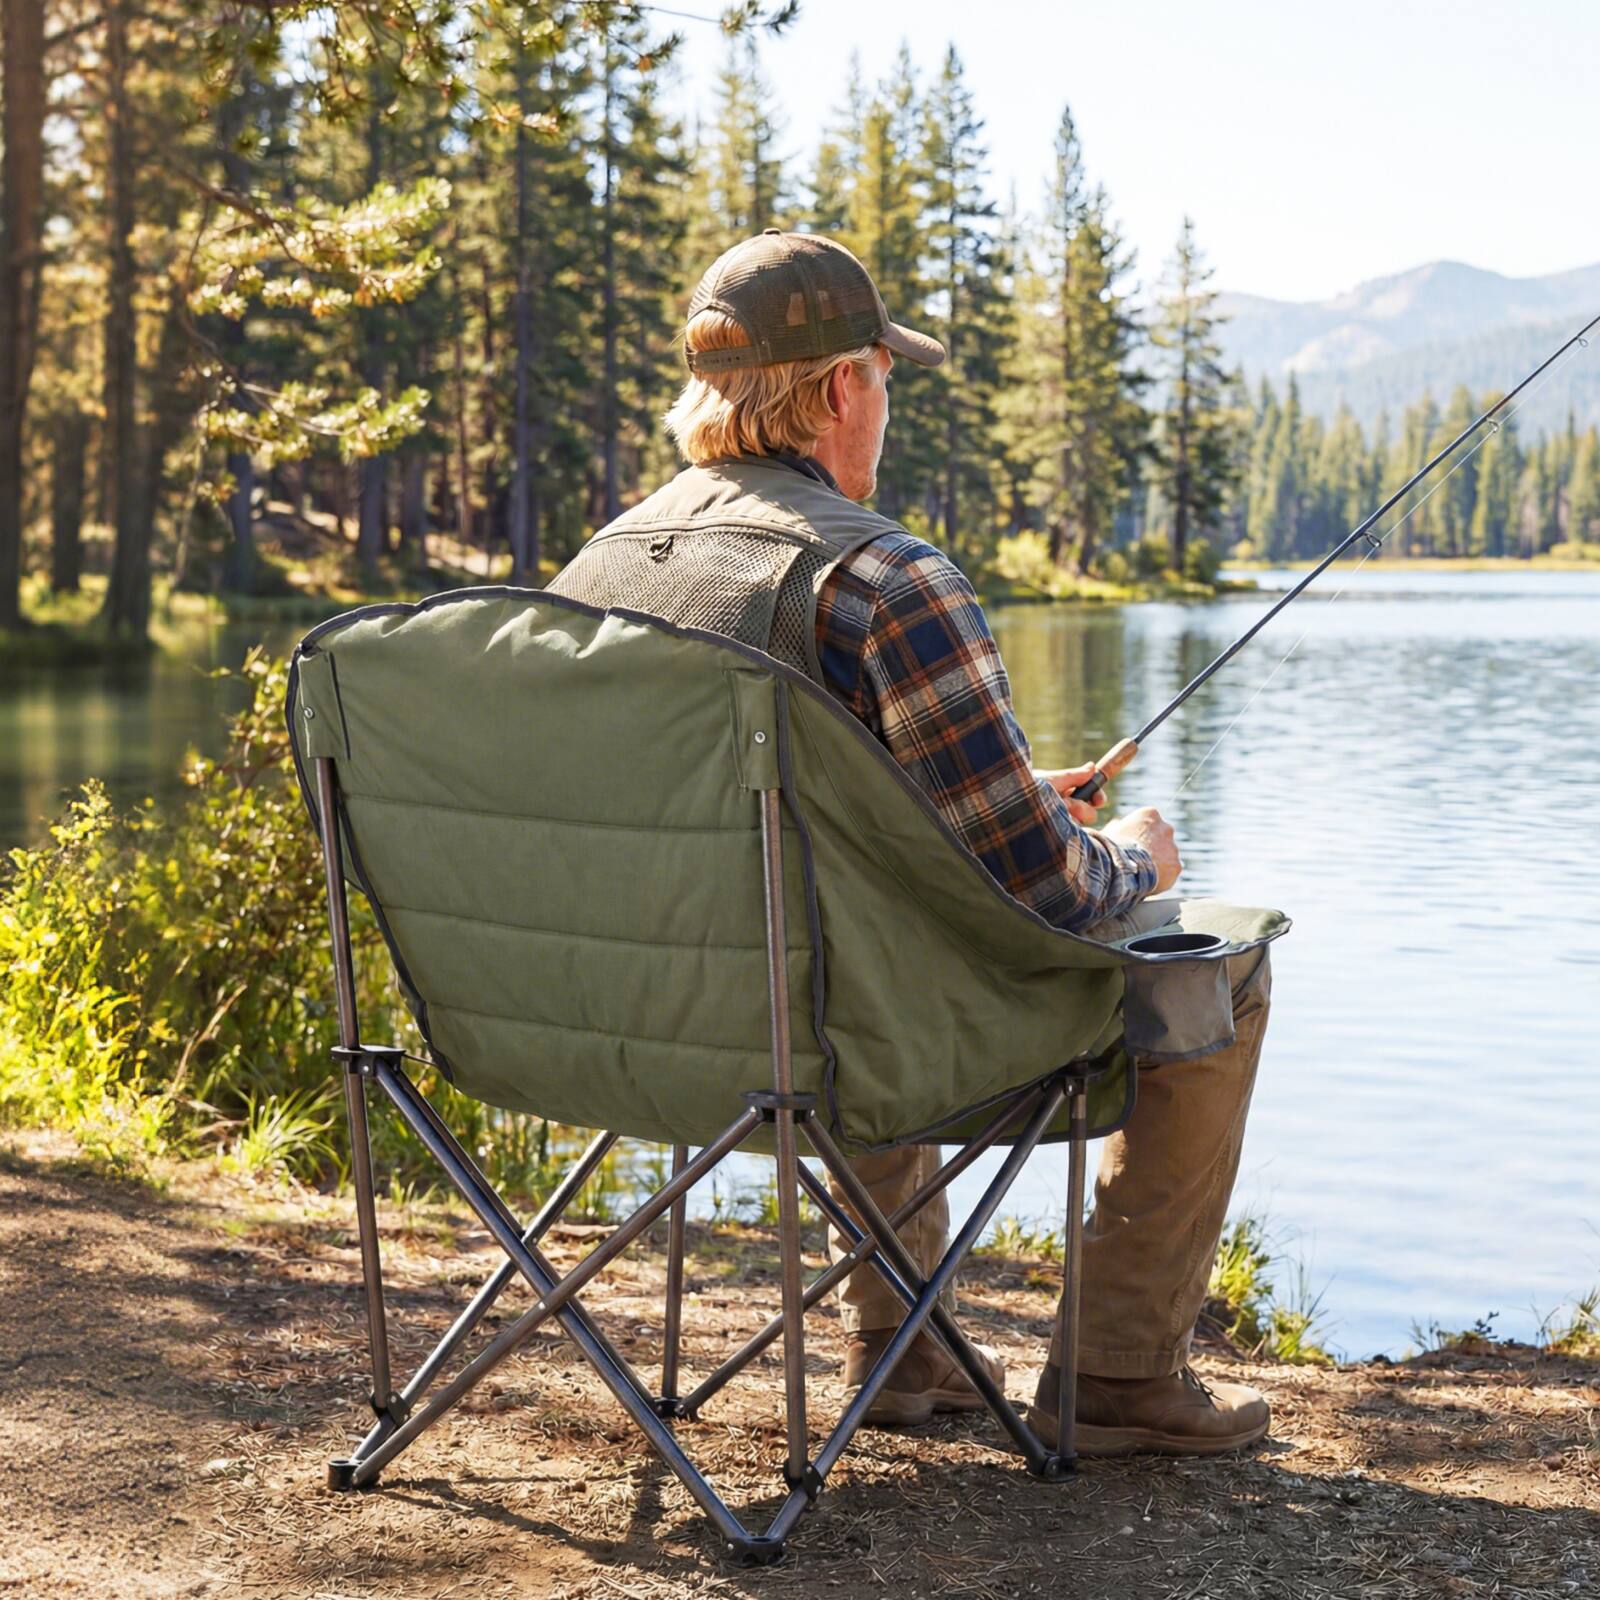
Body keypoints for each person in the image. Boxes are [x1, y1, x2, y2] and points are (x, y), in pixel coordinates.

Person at [549, 230, 1273, 1456]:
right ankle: (1116, 1376)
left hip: (619, 1031)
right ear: (843, 386)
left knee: (829, 927)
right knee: (1222, 968)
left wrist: (1008, 792)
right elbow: (1047, 893)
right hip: (840, 1039)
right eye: (885, 376)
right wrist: (1137, 857)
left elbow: (799, 811)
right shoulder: (886, 577)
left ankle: (901, 1345)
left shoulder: (593, 574)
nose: (886, 403)